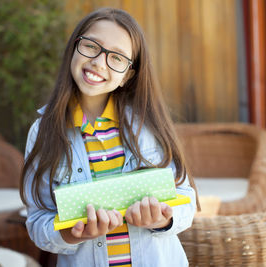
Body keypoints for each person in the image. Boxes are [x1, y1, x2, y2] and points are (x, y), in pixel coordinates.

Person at [20, 7, 198, 267]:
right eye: (92, 46)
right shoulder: (42, 133)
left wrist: (161, 219)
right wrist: (73, 232)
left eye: (116, 58)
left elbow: (186, 201)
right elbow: (37, 224)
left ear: (128, 75)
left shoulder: (149, 126)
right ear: (74, 47)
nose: (99, 62)